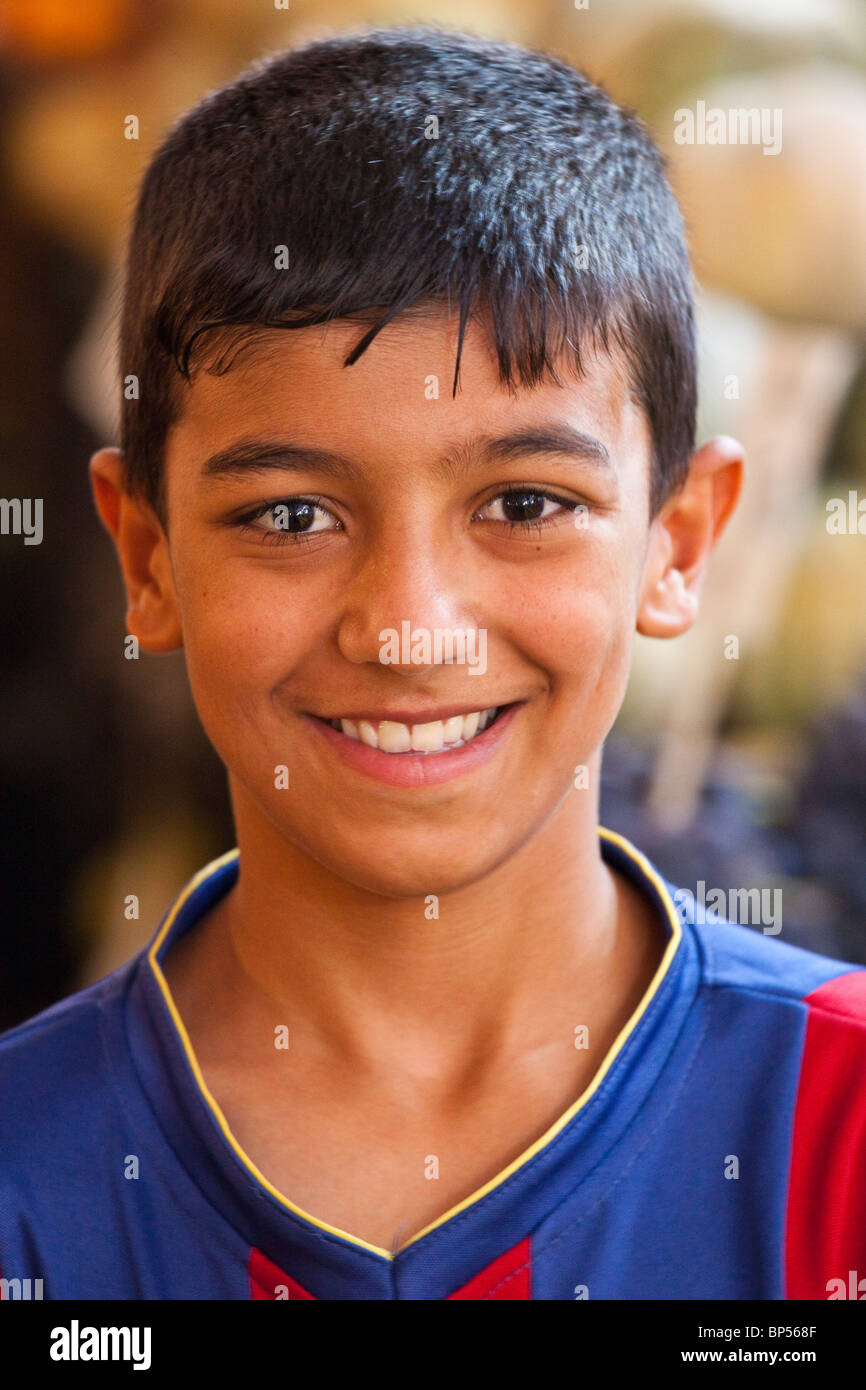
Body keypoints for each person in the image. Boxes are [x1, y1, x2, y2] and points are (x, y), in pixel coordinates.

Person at [1, 26, 863, 1301]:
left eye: (522, 504)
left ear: (678, 542)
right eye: (290, 515)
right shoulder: (28, 1179)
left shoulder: (832, 1133)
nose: (406, 629)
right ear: (148, 557)